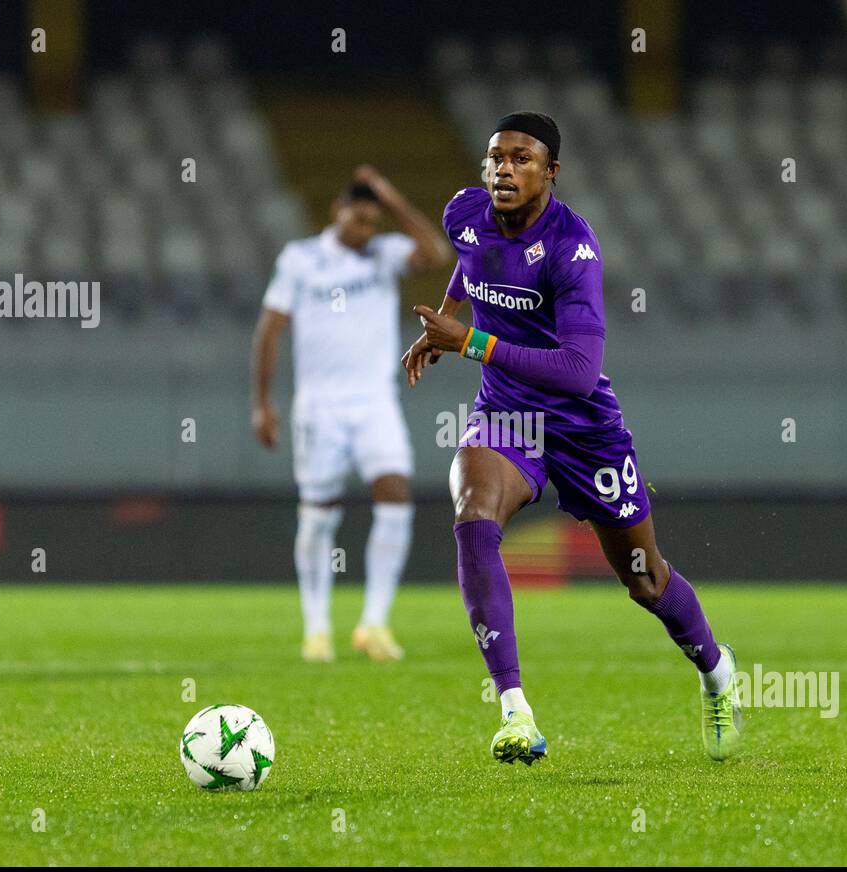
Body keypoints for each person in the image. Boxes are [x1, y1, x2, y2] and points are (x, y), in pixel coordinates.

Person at [401, 113, 743, 763]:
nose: (504, 169)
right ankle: (515, 712)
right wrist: (445, 321)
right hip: (507, 416)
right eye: (495, 157)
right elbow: (469, 267)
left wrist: (468, 340)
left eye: (521, 159)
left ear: (550, 172)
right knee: (474, 515)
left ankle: (716, 671)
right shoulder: (463, 214)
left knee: (644, 580)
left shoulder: (572, 249)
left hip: (584, 426)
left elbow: (578, 372)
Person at [253, 166, 450, 662]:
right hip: (319, 407)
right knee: (319, 514)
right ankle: (317, 629)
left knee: (396, 494)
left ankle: (374, 623)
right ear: (336, 212)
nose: (366, 229)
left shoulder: (383, 256)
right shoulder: (300, 260)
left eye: (373, 221)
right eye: (359, 218)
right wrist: (262, 403)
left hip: (375, 401)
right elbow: (270, 331)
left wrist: (392, 196)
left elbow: (437, 254)